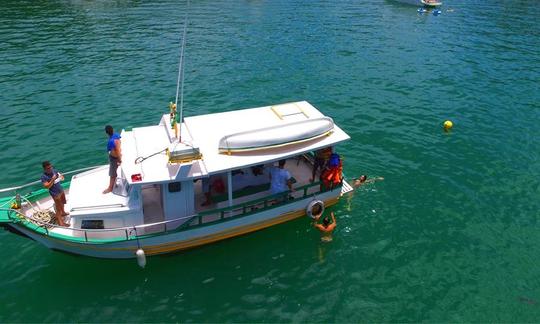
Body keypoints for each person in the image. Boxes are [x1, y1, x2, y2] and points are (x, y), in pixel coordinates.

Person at [41, 161, 69, 226]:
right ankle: (60, 222)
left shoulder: (55, 171)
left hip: (61, 190)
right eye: (48, 168)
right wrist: (53, 180)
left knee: (63, 202)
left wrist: (61, 177)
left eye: (51, 167)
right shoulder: (43, 177)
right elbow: (46, 186)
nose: (50, 169)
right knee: (58, 208)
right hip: (55, 193)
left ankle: (63, 213)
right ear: (44, 169)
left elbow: (62, 176)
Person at [103, 125, 122, 194]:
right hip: (118, 157)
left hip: (114, 158)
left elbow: (116, 150)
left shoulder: (111, 142)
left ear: (106, 133)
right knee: (114, 172)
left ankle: (110, 188)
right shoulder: (116, 135)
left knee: (112, 174)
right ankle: (114, 184)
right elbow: (119, 144)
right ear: (113, 130)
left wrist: (119, 159)